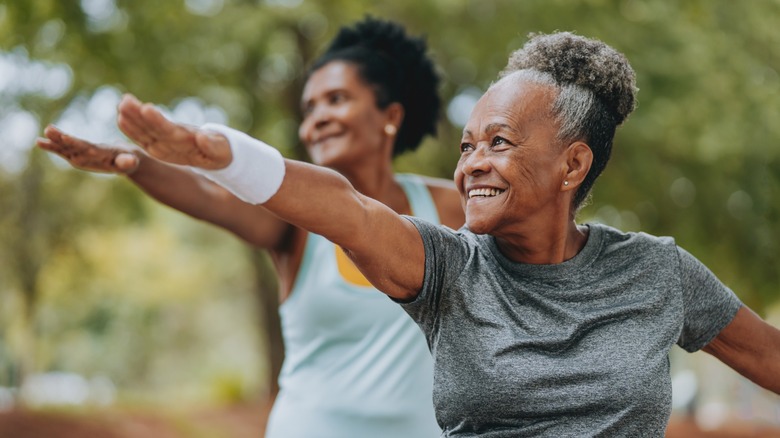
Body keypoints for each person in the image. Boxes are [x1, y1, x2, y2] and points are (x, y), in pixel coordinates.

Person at [100, 30, 780, 436]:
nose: (473, 163)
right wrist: (225, 156)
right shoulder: (447, 268)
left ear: (573, 163)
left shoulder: (658, 272)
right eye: (466, 145)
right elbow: (347, 208)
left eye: (500, 142)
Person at [37, 17, 463, 438]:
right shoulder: (297, 225)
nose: (316, 120)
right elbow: (211, 198)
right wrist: (134, 164)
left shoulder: (447, 207)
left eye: (336, 99)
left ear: (390, 115)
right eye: (309, 108)